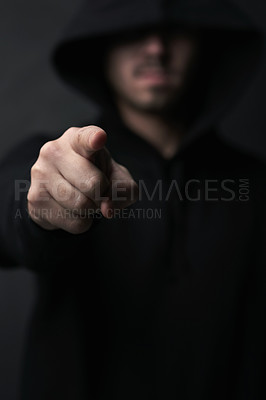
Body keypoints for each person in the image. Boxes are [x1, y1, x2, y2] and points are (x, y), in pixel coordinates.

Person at [0, 0, 265, 399]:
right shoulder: (52, 158)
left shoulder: (255, 184)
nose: (156, 48)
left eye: (176, 30)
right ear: (101, 48)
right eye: (131, 31)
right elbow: (10, 212)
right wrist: (40, 207)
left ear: (205, 44)